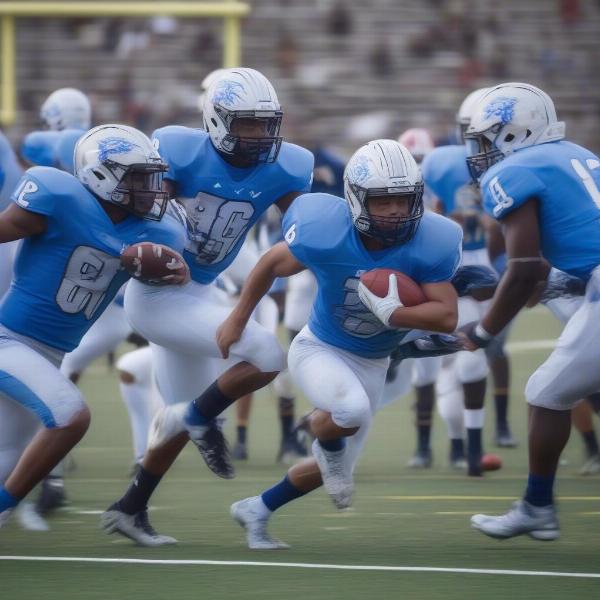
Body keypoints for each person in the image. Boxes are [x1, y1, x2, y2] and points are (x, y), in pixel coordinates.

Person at [100, 67, 314, 546]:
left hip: (199, 292)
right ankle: (196, 418)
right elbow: (139, 218)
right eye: (247, 124)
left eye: (266, 124)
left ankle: (130, 509)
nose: (260, 136)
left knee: (178, 420)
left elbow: (307, 233)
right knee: (265, 355)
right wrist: (147, 253)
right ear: (216, 121)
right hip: (157, 295)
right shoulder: (177, 149)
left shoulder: (287, 165)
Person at [218, 139, 462, 549]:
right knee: (347, 415)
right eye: (384, 202)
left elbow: (447, 315)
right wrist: (238, 317)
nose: (397, 211)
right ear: (355, 200)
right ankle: (318, 427)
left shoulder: (431, 238)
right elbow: (272, 263)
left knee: (330, 461)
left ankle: (256, 508)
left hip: (374, 361)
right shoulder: (325, 229)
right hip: (320, 348)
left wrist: (396, 316)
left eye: (404, 200)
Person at [0, 124, 187, 529]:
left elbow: (178, 275)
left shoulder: (155, 229)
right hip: (9, 340)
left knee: (6, 458)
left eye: (150, 177)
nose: (150, 188)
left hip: (52, 353)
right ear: (101, 174)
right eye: (137, 177)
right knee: (70, 417)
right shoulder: (59, 197)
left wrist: (172, 270)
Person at [459, 82, 599, 540]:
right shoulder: (579, 154)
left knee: (546, 392)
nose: (480, 152)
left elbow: (524, 268)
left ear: (514, 133)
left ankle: (538, 506)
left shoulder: (515, 168)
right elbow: (570, 261)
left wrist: (482, 332)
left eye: (486, 138)